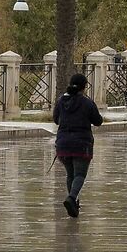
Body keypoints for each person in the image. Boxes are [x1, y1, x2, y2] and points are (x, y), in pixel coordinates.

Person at [51, 72, 104, 218]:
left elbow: (56, 119)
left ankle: (73, 206)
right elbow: (98, 121)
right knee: (80, 174)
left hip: (63, 144)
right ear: (84, 87)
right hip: (82, 144)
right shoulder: (87, 103)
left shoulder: (61, 100)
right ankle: (72, 198)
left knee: (71, 174)